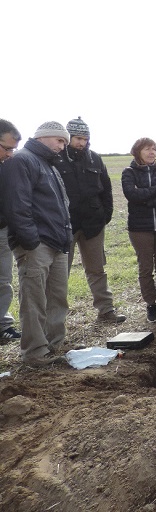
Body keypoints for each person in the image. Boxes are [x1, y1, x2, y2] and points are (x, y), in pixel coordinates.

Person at [1, 122, 72, 366]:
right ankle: (35, 351)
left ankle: (55, 345)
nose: (63, 146)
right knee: (34, 300)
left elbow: (61, 206)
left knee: (57, 298)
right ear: (43, 137)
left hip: (57, 242)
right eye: (59, 141)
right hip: (37, 245)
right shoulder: (22, 161)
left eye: (65, 142)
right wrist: (31, 241)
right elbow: (17, 206)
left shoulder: (50, 165)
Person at [53, 117, 125, 323]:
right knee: (59, 274)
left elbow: (106, 189)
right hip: (65, 225)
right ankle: (56, 320)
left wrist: (106, 214)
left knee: (97, 269)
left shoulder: (95, 159)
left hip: (93, 224)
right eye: (77, 138)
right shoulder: (55, 159)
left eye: (85, 138)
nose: (81, 143)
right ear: (67, 138)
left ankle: (106, 310)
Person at [122, 138, 156, 323]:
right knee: (145, 267)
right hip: (140, 228)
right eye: (147, 149)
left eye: (154, 149)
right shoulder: (129, 172)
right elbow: (131, 194)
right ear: (138, 151)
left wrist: (148, 200)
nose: (152, 152)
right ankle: (150, 304)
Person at [0, 119, 23, 341]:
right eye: (7, 148)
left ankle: (2, 326)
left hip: (2, 231)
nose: (9, 154)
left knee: (3, 279)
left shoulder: (7, 167)